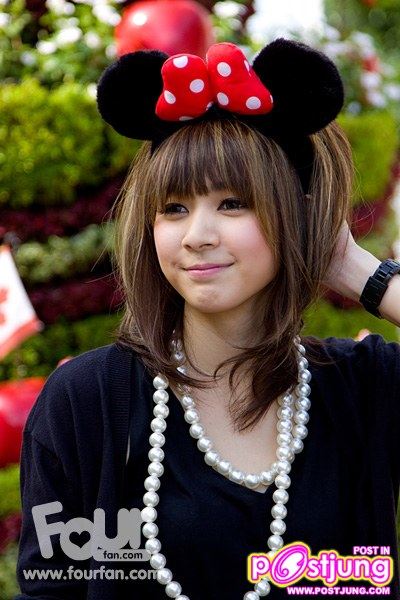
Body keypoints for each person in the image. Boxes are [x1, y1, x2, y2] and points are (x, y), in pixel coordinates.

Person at [15, 38, 400, 600]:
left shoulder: (362, 387)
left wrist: (357, 268)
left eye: (233, 203)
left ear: (293, 214)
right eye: (174, 208)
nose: (197, 235)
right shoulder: (87, 401)